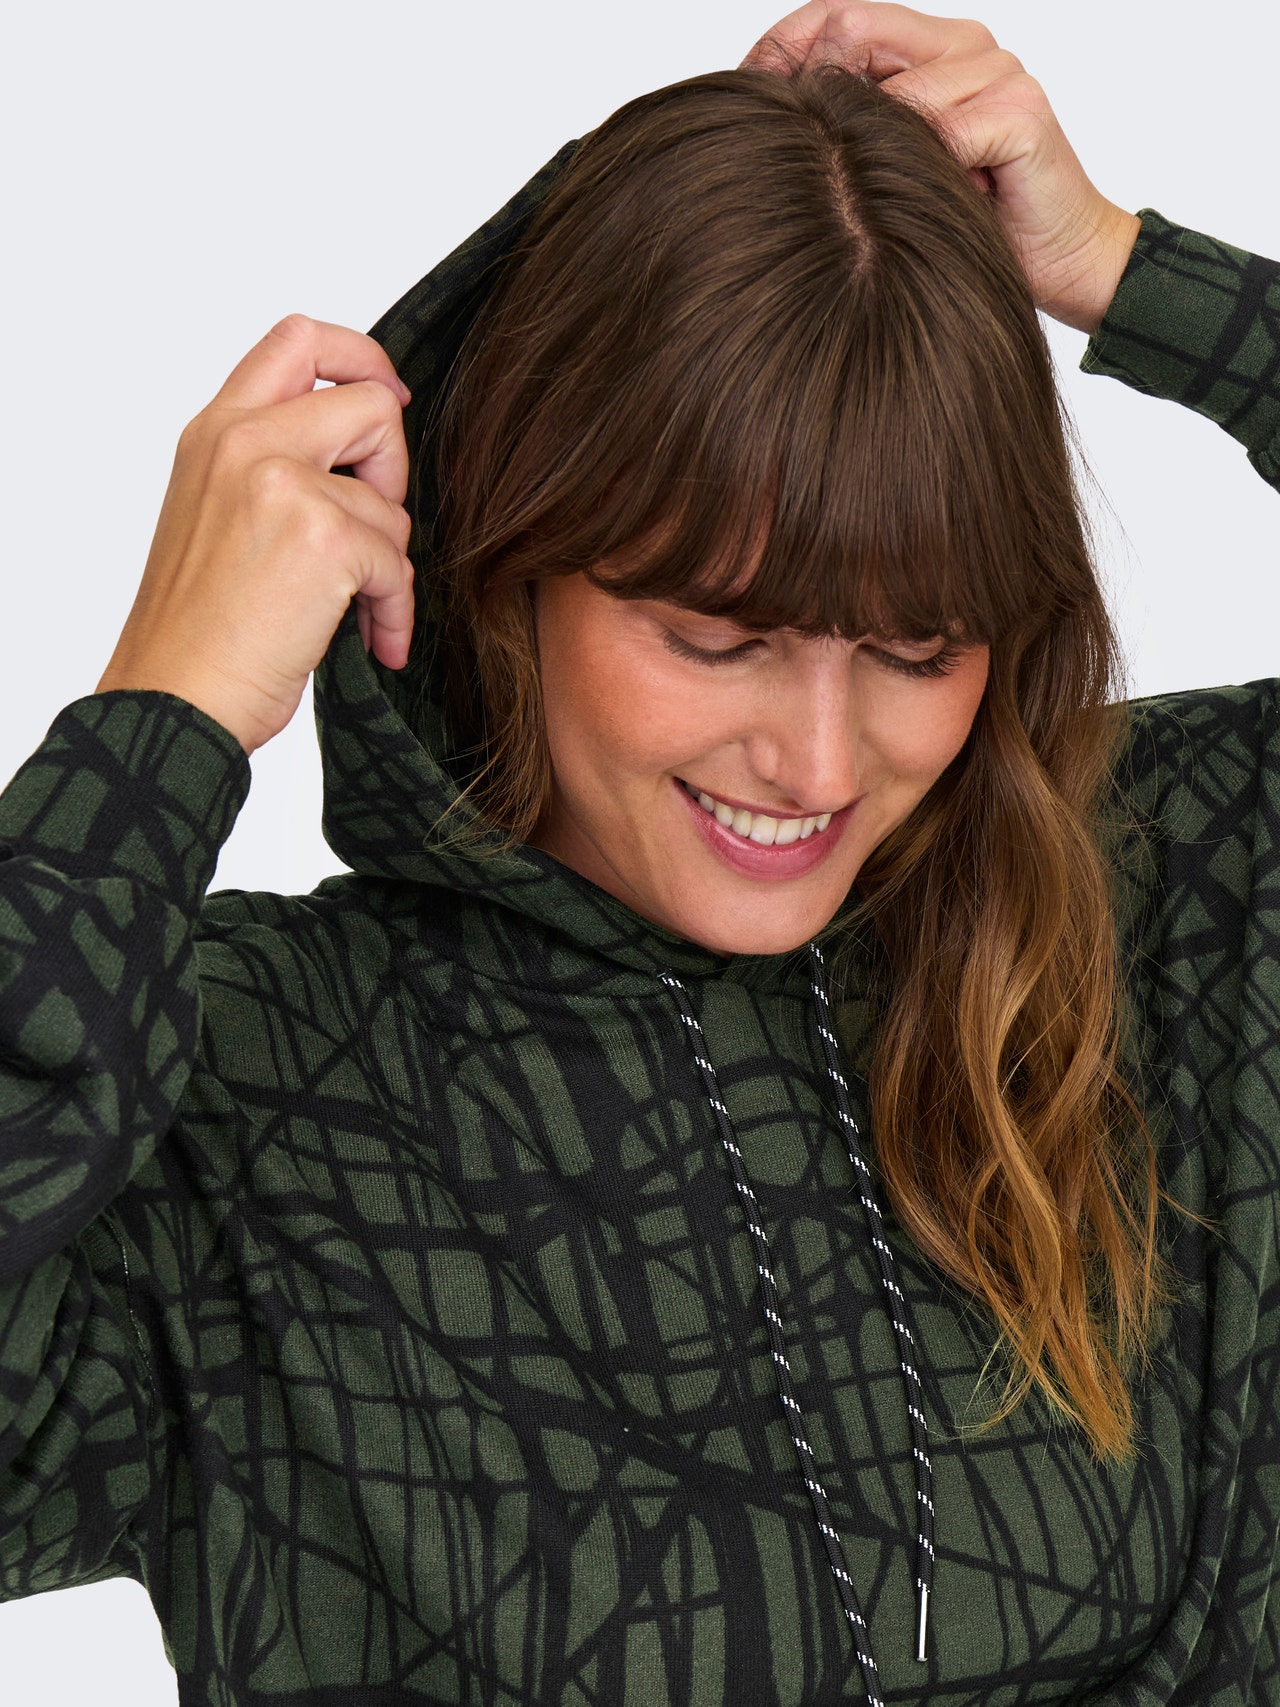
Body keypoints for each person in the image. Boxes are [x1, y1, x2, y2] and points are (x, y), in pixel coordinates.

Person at [2, 1, 1278, 1701]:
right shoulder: (243, 1081)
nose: (817, 761)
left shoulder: (1148, 911)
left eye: (919, 651)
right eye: (717, 638)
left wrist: (1130, 273)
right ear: (502, 562)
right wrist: (159, 725)